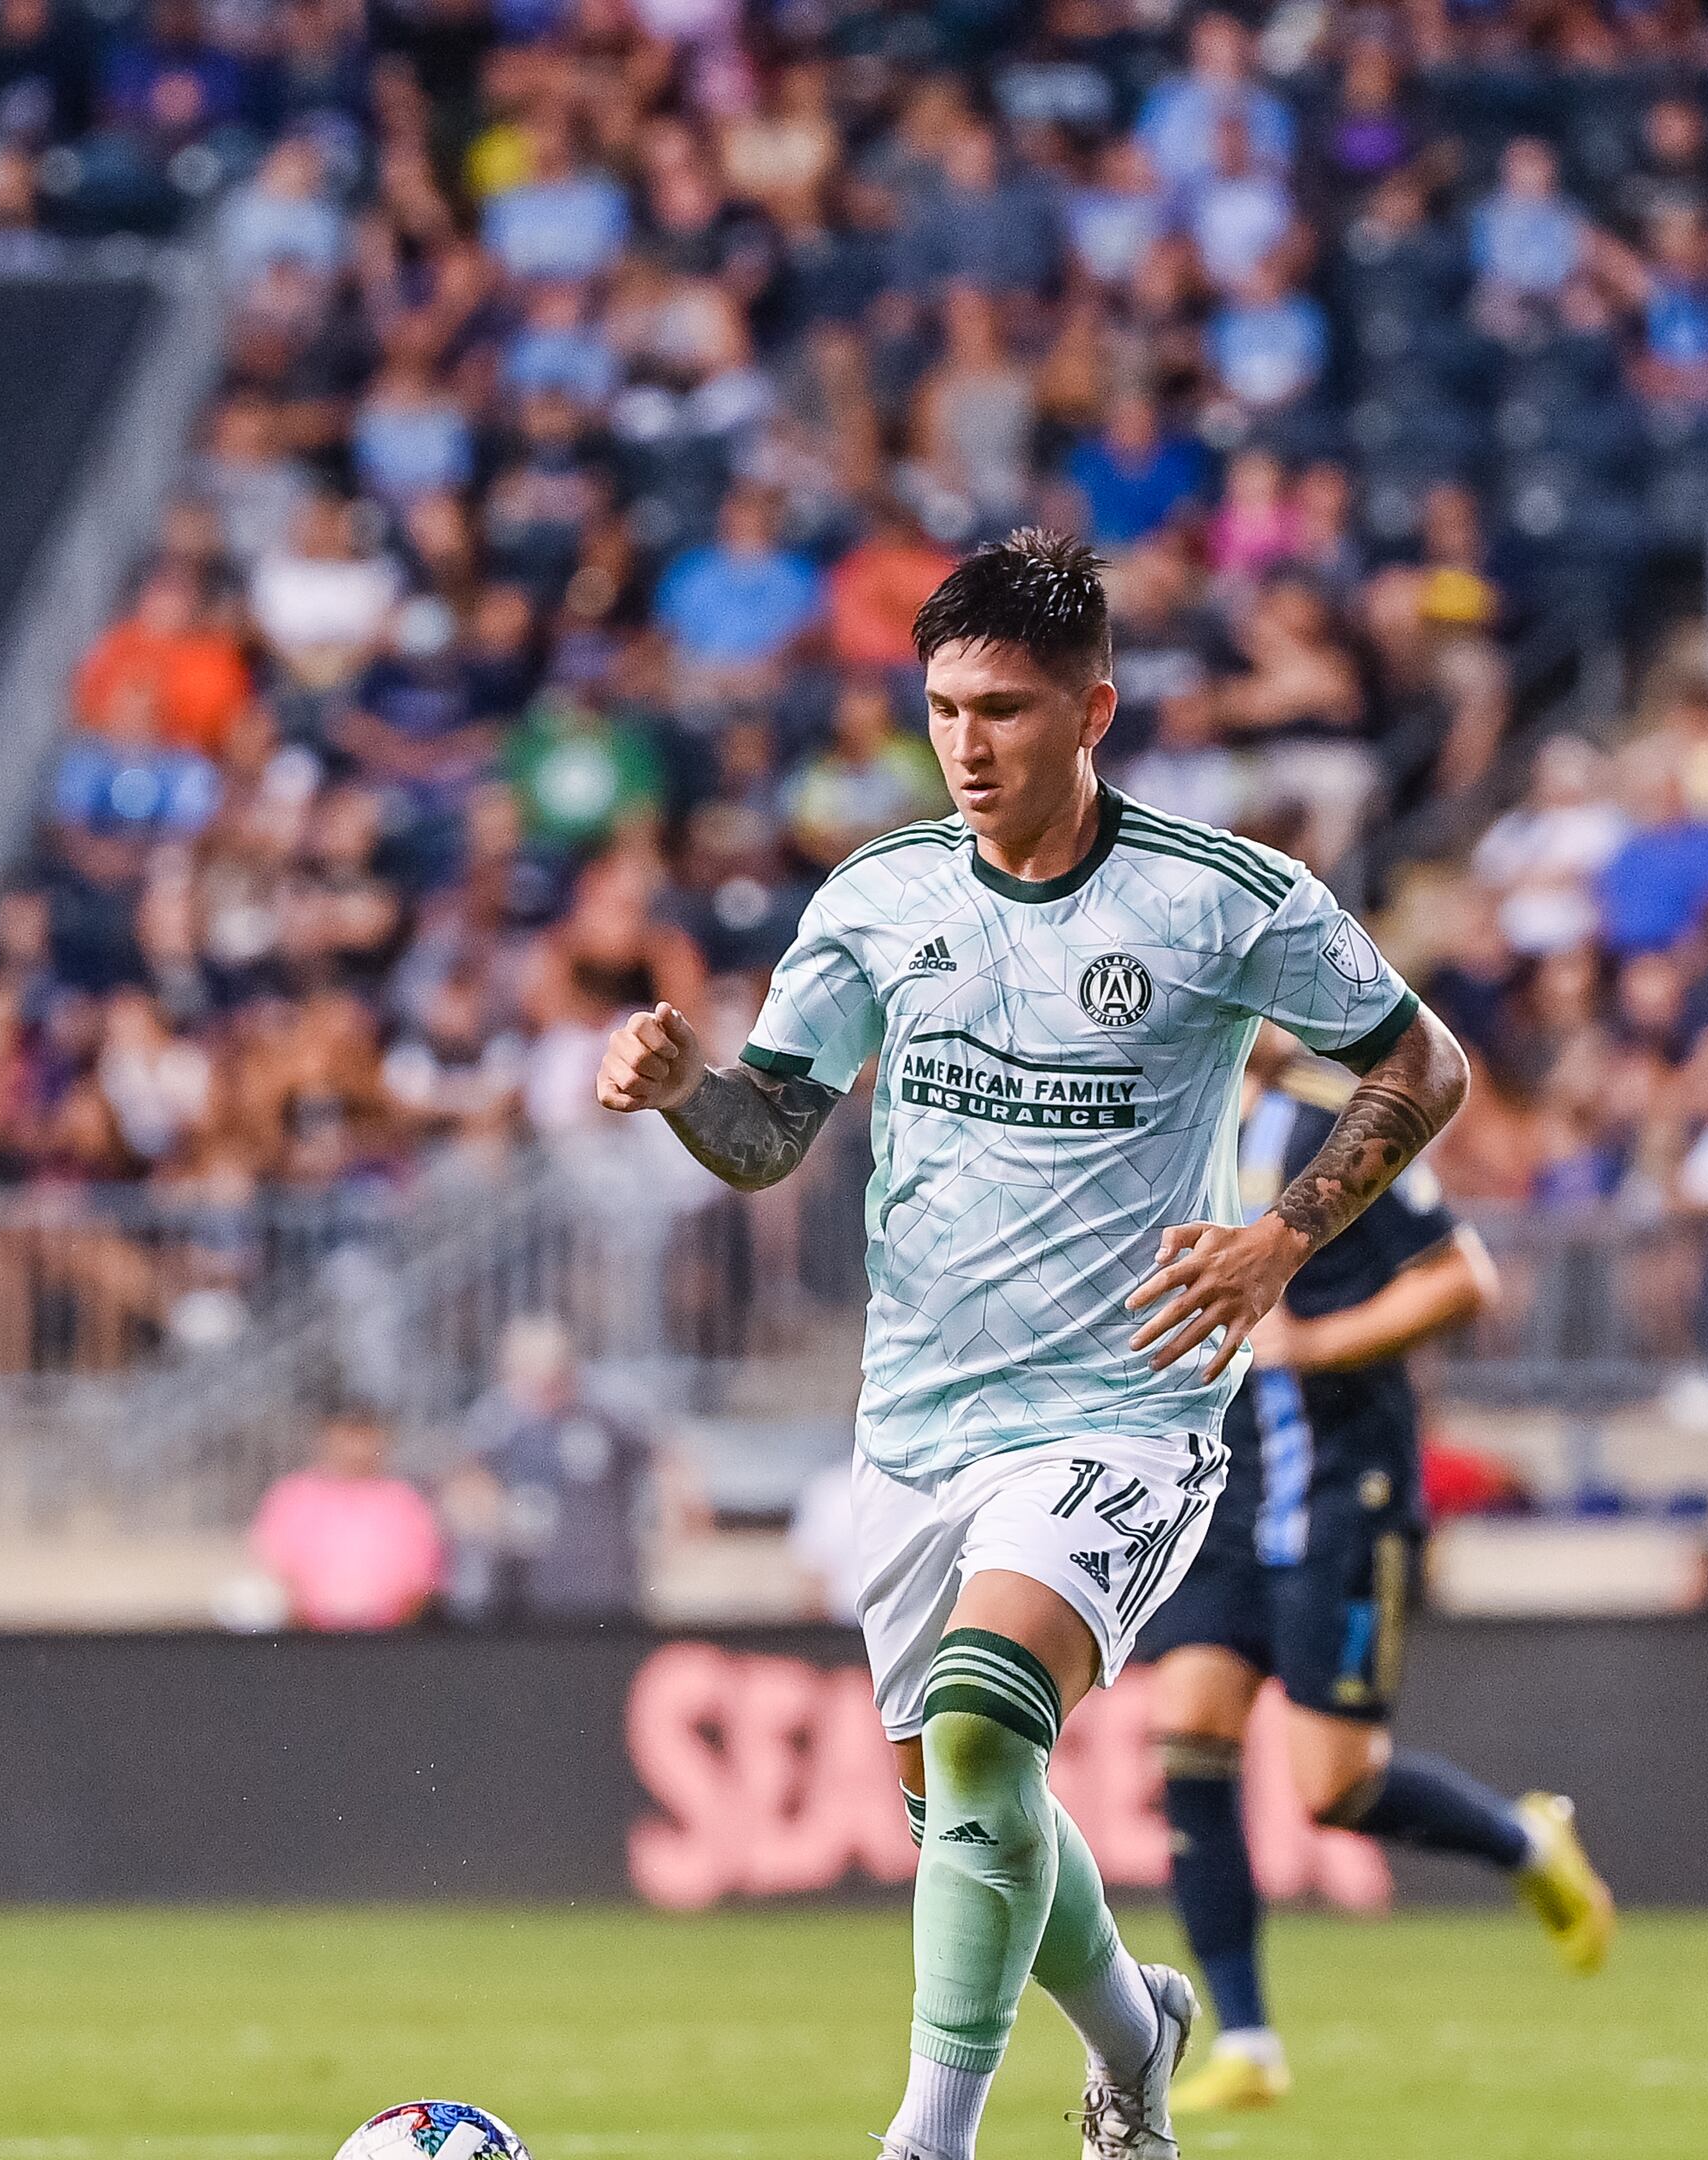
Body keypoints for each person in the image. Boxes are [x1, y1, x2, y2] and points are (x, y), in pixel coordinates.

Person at [593, 531, 1464, 2160]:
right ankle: (1138, 2043)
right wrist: (682, 1095)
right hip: (916, 1424)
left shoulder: (1223, 902)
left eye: (1004, 710)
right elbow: (771, 1131)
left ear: (1096, 711)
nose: (968, 749)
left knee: (991, 1723)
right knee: (968, 1811)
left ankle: (928, 2139)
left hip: (1123, 1408)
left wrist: (1286, 1239)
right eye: (941, 710)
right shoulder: (879, 898)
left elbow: (1427, 1063)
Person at [1143, 1034, 1612, 2117]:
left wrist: (1323, 1341)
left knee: (1332, 1785)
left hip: (1342, 1489)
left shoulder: (1336, 1117)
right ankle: (1249, 2041)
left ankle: (1522, 1840)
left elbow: (1463, 1279)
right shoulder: (1169, 1115)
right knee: (1191, 1731)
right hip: (1223, 1488)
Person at [451, 1317, 656, 1625]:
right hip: (526, 1593)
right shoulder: (495, 1418)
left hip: (604, 1593)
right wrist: (495, 1517)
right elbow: (467, 1487)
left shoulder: (611, 1408)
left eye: (551, 1380)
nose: (540, 1391)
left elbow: (666, 1461)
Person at [250, 1409, 447, 1632]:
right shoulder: (293, 1497)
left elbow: (421, 1581)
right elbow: (276, 1571)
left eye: (364, 1438)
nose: (356, 1448)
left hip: (386, 1638)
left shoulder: (405, 1501)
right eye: (347, 1437)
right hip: (307, 1639)